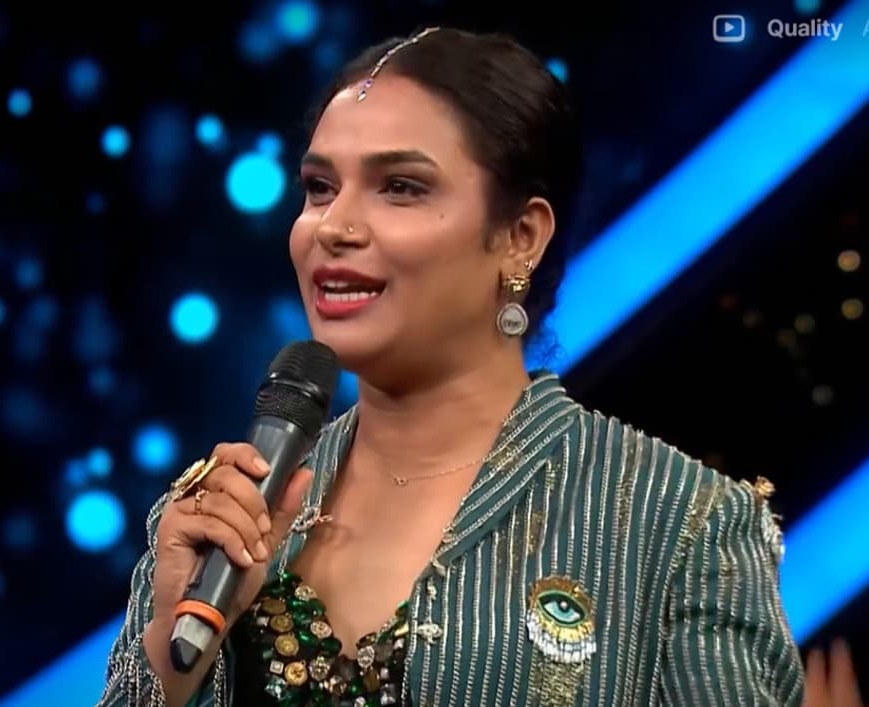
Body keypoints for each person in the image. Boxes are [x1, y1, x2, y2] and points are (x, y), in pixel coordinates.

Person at [97, 26, 805, 706]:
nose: (333, 227)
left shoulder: (680, 525)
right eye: (319, 188)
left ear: (520, 236)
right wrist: (172, 656)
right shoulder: (221, 518)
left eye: (401, 187)